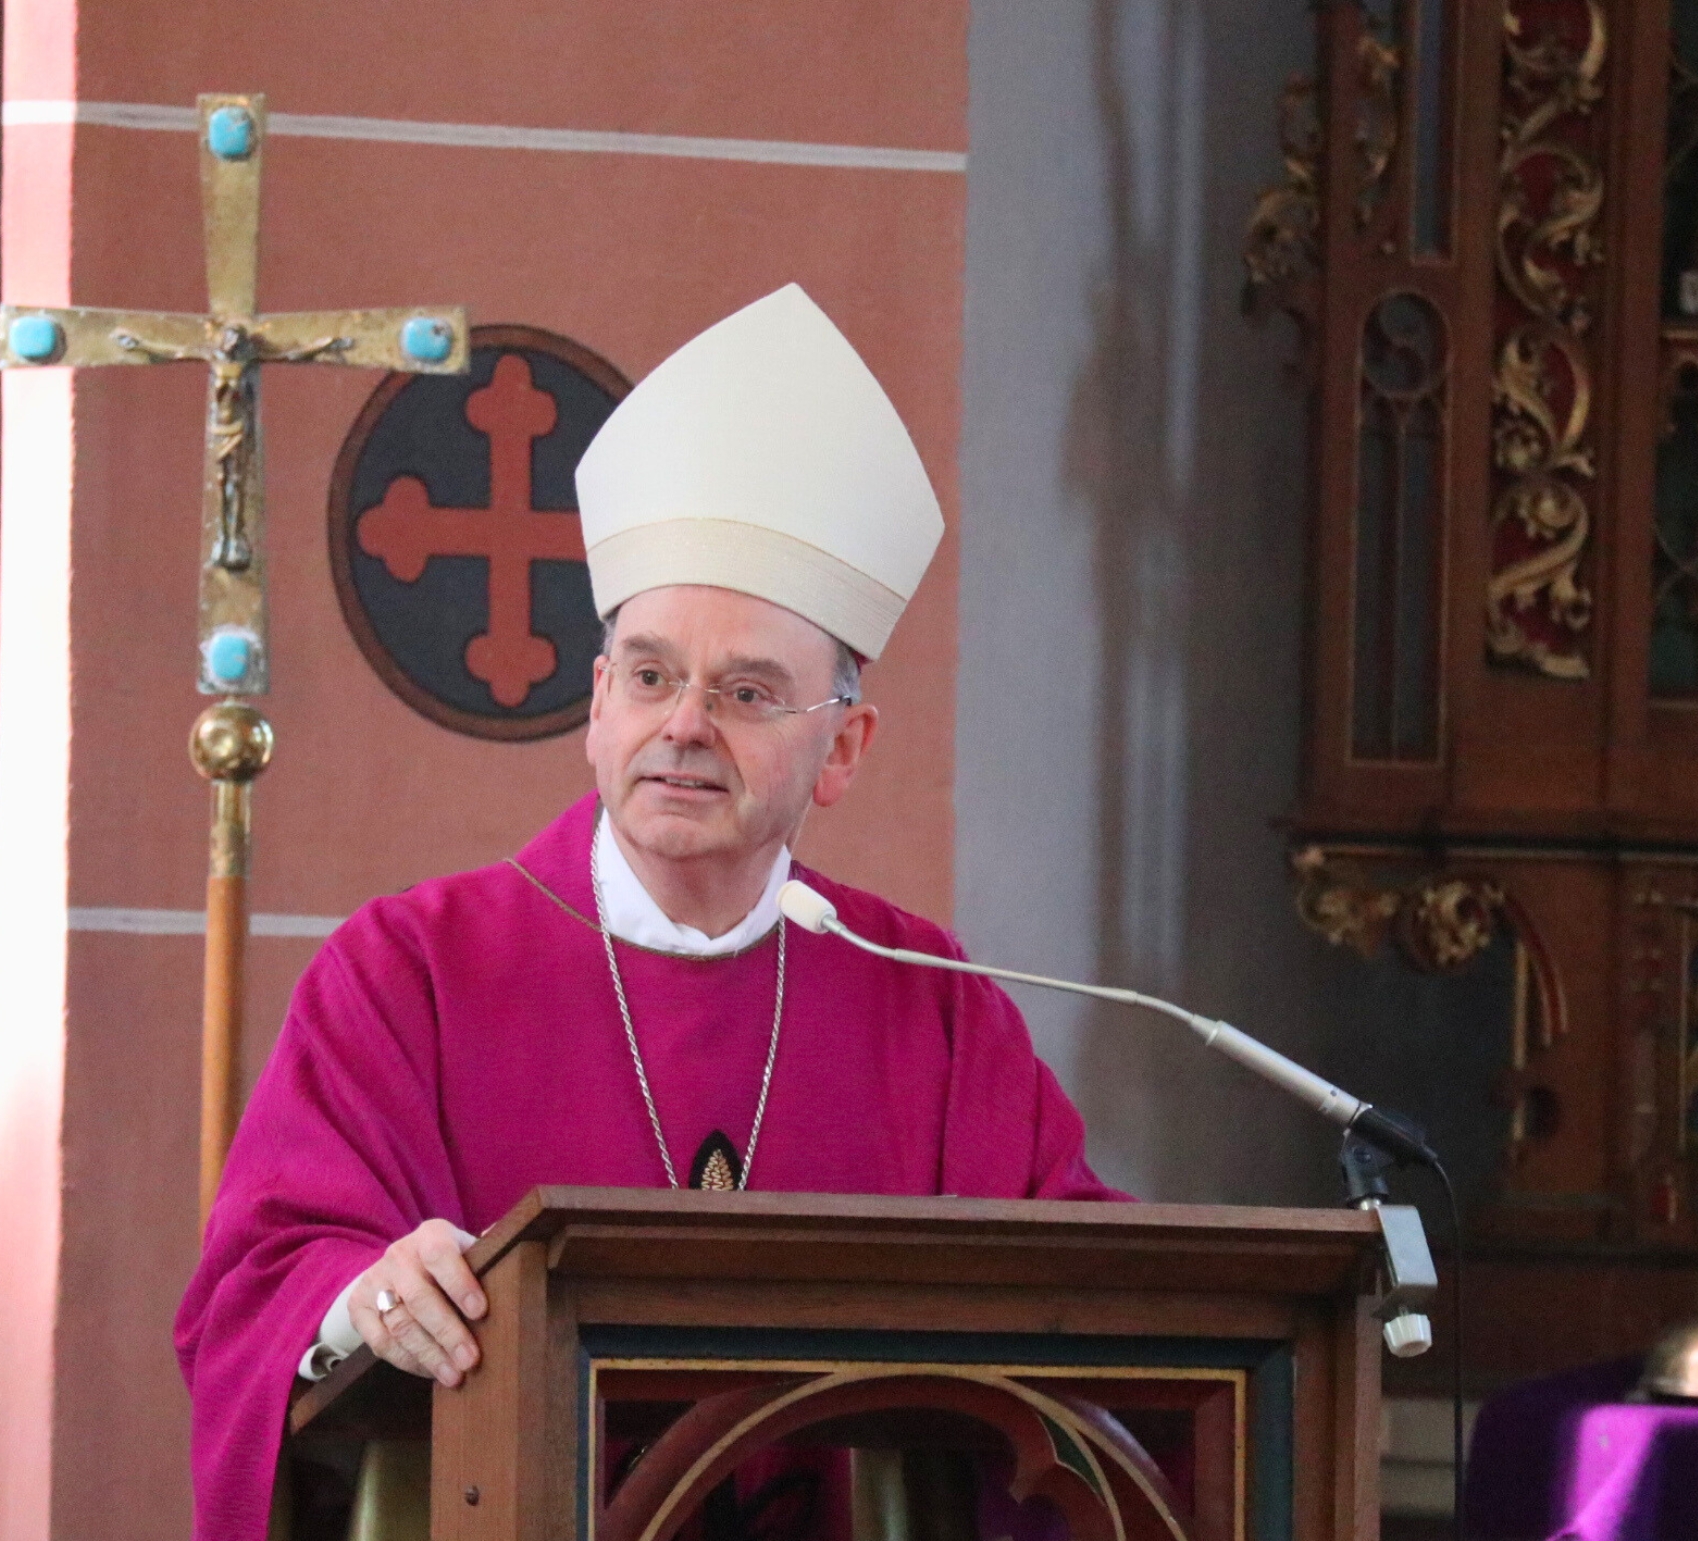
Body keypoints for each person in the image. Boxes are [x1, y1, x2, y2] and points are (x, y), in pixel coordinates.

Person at [175, 285, 1127, 1540]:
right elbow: (258, 1283)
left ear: (840, 749)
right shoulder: (410, 974)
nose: (682, 724)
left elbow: (1106, 1318)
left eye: (744, 691)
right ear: (595, 709)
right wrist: (361, 1297)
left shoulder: (925, 1002)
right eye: (650, 675)